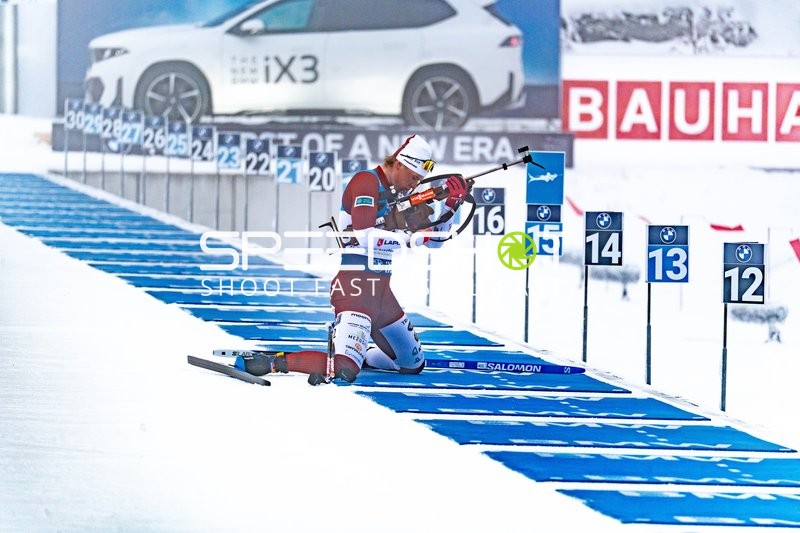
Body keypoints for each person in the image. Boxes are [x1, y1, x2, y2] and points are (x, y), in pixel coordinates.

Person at [250, 135, 467, 383]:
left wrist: (451, 206)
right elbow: (364, 235)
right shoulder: (366, 181)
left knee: (413, 365)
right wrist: (410, 238)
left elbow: (437, 241)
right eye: (414, 177)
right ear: (399, 164)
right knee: (344, 368)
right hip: (356, 289)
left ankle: (357, 351)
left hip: (382, 295)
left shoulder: (401, 196)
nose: (414, 185)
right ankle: (272, 362)